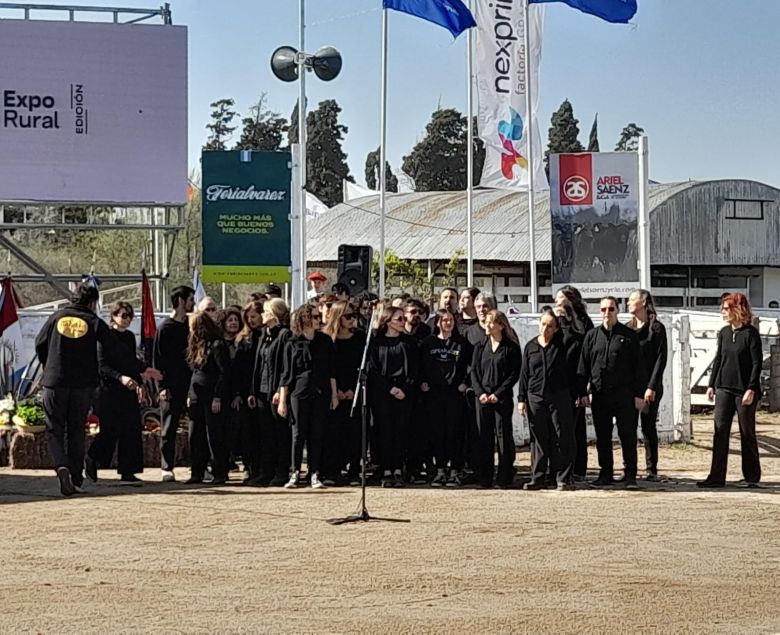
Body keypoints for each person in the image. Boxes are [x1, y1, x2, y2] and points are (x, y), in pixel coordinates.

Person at [33, 284, 141, 496]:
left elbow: (39, 342)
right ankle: (75, 478)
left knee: (54, 429)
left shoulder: (57, 317)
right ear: (93, 303)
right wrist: (141, 368)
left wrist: (49, 364)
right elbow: (115, 349)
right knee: (76, 431)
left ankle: (61, 466)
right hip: (82, 385)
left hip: (55, 382)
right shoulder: (93, 321)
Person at [86, 301, 160, 486]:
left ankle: (128, 471)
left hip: (128, 390)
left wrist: (140, 383)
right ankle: (92, 459)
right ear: (114, 316)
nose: (127, 320)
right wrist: (120, 378)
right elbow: (102, 365)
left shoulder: (128, 337)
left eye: (130, 316)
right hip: (109, 390)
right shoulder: (104, 337)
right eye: (123, 315)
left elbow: (130, 362)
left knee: (131, 429)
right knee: (111, 430)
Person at [578, 296, 647, 489]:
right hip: (600, 395)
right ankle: (605, 473)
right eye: (603, 310)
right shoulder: (591, 336)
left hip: (624, 395)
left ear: (618, 310)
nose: (607, 313)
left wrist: (639, 394)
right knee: (603, 436)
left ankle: (630, 475)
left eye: (610, 309)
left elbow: (639, 368)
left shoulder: (629, 336)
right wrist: (582, 392)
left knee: (627, 435)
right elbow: (583, 366)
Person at [698, 293, 762, 488]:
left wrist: (751, 388)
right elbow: (719, 359)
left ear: (737, 309)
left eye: (726, 308)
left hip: (744, 390)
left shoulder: (751, 334)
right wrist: (711, 384)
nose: (722, 312)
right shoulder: (724, 333)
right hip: (724, 387)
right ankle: (716, 477)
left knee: (746, 432)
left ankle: (751, 476)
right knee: (720, 431)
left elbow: (756, 363)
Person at [277, 303, 338, 489]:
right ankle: (295, 472)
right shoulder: (292, 342)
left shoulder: (325, 341)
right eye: (314, 316)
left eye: (319, 316)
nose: (318, 320)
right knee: (297, 434)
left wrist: (334, 394)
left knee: (317, 433)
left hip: (320, 390)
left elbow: (331, 371)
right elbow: (286, 374)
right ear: (304, 319)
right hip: (298, 392)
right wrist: (282, 400)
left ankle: (315, 473)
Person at [518, 309, 576, 491]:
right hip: (535, 397)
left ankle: (562, 478)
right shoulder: (530, 346)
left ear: (556, 328)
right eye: (543, 324)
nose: (546, 329)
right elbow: (524, 374)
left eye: (551, 326)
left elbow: (575, 336)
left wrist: (565, 316)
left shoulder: (563, 345)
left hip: (558, 397)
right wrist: (521, 399)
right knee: (539, 439)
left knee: (561, 436)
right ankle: (538, 477)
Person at [419, 309, 471, 487]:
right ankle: (440, 470)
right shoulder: (428, 343)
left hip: (454, 394)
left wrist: (465, 382)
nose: (448, 323)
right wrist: (423, 382)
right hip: (433, 394)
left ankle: (455, 470)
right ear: (438, 323)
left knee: (454, 432)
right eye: (444, 320)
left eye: (451, 320)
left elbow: (470, 366)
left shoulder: (462, 343)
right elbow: (419, 366)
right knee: (436, 432)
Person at [367, 306, 418, 488]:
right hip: (383, 394)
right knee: (384, 431)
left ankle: (398, 468)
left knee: (401, 431)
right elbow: (373, 369)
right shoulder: (376, 343)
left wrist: (404, 388)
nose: (403, 321)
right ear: (388, 321)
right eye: (399, 319)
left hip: (404, 394)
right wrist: (389, 388)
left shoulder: (409, 343)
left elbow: (415, 369)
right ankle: (386, 469)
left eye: (404, 318)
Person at [471, 310, 522, 488]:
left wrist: (497, 393)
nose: (487, 325)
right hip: (483, 399)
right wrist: (481, 393)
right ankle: (484, 477)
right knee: (483, 437)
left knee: (503, 437)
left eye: (491, 322)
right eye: (486, 322)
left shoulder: (511, 348)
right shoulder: (479, 346)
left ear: (501, 325)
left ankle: (504, 477)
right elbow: (474, 372)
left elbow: (513, 374)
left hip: (501, 399)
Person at [153, 285, 195, 482]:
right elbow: (157, 360)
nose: (193, 303)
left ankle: (197, 465)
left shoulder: (192, 326)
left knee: (196, 426)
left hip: (192, 385)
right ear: (180, 301)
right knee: (169, 427)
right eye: (190, 299)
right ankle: (167, 467)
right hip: (171, 386)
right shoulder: (165, 329)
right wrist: (162, 387)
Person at [248, 298, 292, 486]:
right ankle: (265, 471)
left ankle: (281, 471)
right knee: (265, 434)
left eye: (265, 310)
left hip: (275, 391)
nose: (261, 314)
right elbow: (258, 365)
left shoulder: (284, 335)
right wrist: (252, 391)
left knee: (279, 434)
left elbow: (285, 366)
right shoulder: (264, 335)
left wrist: (280, 391)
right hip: (261, 391)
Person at [322, 300, 366, 485]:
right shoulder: (327, 340)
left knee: (354, 433)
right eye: (348, 316)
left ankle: (354, 470)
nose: (352, 320)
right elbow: (326, 368)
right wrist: (337, 391)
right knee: (333, 433)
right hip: (334, 393)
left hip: (354, 392)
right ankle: (333, 470)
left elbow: (361, 366)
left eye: (354, 316)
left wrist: (351, 390)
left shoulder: (360, 338)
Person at [627, 289, 668, 481]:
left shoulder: (657, 329)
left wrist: (651, 387)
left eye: (632, 300)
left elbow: (661, 360)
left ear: (643, 302)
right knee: (628, 427)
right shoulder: (627, 329)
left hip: (649, 387)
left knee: (648, 426)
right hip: (630, 387)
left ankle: (652, 469)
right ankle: (630, 468)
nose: (628, 303)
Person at [186, 311, 231, 484]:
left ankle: (219, 471)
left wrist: (218, 396)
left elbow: (224, 373)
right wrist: (190, 394)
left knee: (214, 435)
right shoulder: (196, 345)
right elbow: (194, 372)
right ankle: (197, 471)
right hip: (197, 395)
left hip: (212, 395)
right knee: (195, 434)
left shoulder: (217, 345)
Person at [553, 301, 587, 481]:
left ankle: (574, 469)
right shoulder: (550, 339)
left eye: (562, 316)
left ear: (569, 316)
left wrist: (581, 393)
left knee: (572, 433)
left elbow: (581, 369)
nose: (559, 321)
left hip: (571, 392)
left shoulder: (577, 339)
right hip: (553, 392)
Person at [215, 306, 243, 469]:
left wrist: (238, 393)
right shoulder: (217, 343)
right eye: (230, 320)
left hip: (238, 394)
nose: (233, 323)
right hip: (220, 393)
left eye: (236, 320)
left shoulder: (243, 342)